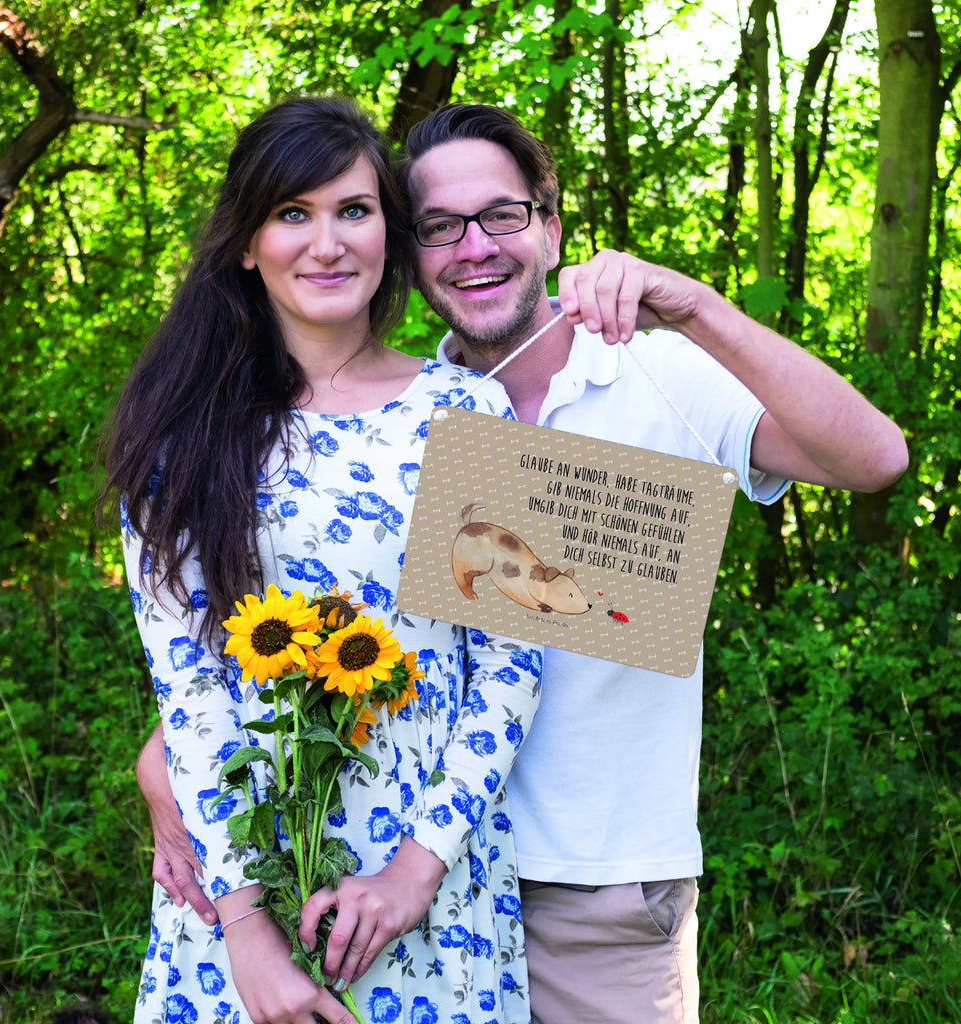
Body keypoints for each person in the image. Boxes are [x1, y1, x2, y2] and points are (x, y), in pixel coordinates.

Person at [138, 102, 909, 1023]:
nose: (473, 247)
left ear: (549, 226)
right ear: (411, 251)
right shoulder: (396, 414)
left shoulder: (649, 371)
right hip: (371, 876)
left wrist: (697, 307)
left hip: (592, 888)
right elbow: (280, 631)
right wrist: (171, 767)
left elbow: (875, 461)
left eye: (501, 215)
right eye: (438, 227)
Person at [101, 96, 547, 1024]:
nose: (327, 242)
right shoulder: (181, 438)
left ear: (389, 229)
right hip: (240, 889)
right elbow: (190, 693)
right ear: (245, 243)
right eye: (292, 214)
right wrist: (249, 937)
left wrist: (414, 873)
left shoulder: (466, 412)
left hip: (429, 889)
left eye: (354, 210)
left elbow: (510, 665)